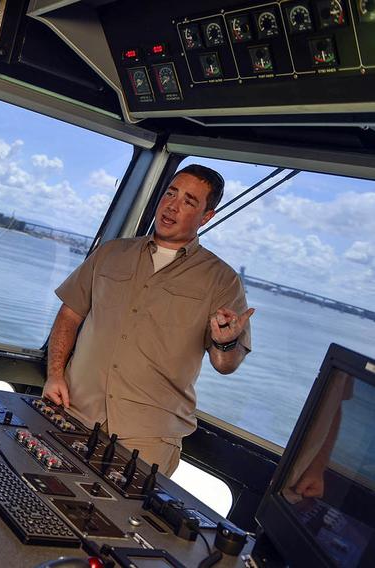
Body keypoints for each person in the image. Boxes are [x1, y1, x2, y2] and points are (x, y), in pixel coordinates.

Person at [43, 164, 255, 476]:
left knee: (115, 524)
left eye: (188, 201)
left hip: (147, 440)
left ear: (207, 216)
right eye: (171, 193)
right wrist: (54, 375)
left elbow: (226, 365)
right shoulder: (111, 252)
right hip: (73, 410)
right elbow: (69, 314)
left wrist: (227, 341)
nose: (172, 205)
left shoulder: (222, 281)